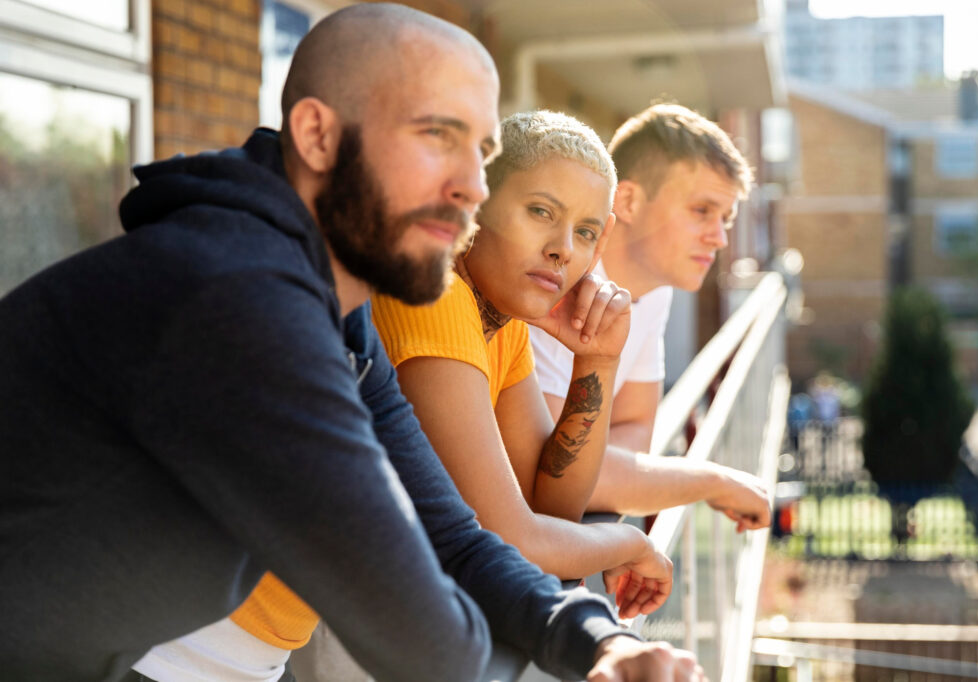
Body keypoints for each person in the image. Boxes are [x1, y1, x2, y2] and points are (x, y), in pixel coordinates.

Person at [0, 6, 704, 682]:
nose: (469, 188)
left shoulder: (336, 312)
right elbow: (431, 646)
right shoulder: (234, 302)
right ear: (318, 137)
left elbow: (455, 538)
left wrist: (598, 639)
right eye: (437, 137)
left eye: (481, 153)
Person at [371, 110, 673, 591]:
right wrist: (634, 545)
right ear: (478, 203)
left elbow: (551, 506)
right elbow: (516, 543)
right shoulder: (435, 293)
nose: (562, 249)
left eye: (586, 232)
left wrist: (597, 360)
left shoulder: (501, 321)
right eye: (541, 212)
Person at [529, 103, 773, 524]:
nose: (718, 238)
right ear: (627, 200)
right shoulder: (558, 285)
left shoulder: (653, 288)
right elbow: (547, 474)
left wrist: (608, 479)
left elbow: (635, 427)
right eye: (701, 211)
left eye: (726, 219)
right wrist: (709, 482)